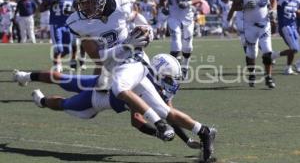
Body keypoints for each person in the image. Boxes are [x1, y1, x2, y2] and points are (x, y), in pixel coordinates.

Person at [13, 53, 216, 160]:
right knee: (60, 77)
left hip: (96, 102)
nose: (172, 84)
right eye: (170, 78)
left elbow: (143, 119)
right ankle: (25, 76)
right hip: (99, 83)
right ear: (158, 72)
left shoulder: (151, 91)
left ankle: (42, 102)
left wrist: (184, 139)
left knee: (65, 104)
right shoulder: (138, 72)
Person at [67, 0, 176, 143]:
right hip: (113, 67)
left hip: (134, 62)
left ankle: (177, 130)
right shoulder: (78, 23)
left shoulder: (121, 1)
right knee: (133, 112)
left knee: (161, 103)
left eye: (89, 3)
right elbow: (98, 58)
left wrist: (146, 29)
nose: (85, 8)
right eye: (83, 4)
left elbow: (135, 17)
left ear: (100, 0)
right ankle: (163, 128)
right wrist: (124, 46)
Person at [230, 0, 276, 88]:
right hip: (249, 25)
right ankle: (252, 73)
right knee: (251, 53)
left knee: (267, 51)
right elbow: (234, 6)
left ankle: (269, 78)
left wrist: (273, 10)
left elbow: (272, 0)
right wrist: (244, 6)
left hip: (264, 23)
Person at [158, 0, 202, 80]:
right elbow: (162, 0)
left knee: (188, 47)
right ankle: (173, 71)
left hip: (187, 17)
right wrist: (163, 7)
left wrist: (188, 3)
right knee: (176, 44)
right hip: (173, 17)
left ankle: (185, 67)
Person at [40, 0, 75, 72]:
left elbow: (77, 7)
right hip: (56, 24)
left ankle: (56, 60)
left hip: (68, 25)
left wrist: (73, 11)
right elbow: (41, 8)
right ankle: (57, 65)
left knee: (67, 50)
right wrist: (49, 3)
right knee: (58, 49)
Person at [272, 0, 300, 74]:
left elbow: (295, 11)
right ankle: (274, 55)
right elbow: (272, 1)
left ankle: (288, 68)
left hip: (293, 26)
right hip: (285, 26)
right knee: (294, 48)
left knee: (295, 49)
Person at [67, 0, 87, 70]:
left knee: (84, 39)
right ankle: (73, 59)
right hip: (73, 14)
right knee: (74, 41)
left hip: (85, 13)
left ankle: (82, 59)